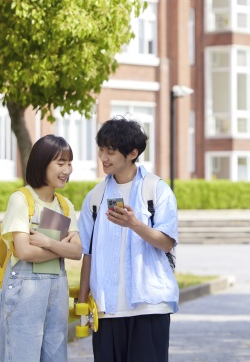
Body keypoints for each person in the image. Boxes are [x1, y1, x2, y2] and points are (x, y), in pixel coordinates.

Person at [77, 116, 178, 362]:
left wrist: (134, 224)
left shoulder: (156, 190)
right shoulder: (96, 196)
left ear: (132, 153)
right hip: (107, 310)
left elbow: (166, 242)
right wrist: (82, 305)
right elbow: (87, 254)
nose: (103, 158)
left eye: (110, 152)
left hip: (150, 307)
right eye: (101, 150)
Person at [0, 135, 82, 362]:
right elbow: (23, 251)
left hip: (57, 290)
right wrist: (61, 248)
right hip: (24, 290)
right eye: (60, 163)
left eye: (69, 163)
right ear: (42, 163)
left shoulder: (65, 205)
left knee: (56, 357)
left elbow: (77, 252)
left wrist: (47, 243)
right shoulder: (21, 199)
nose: (67, 170)